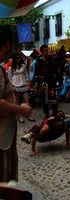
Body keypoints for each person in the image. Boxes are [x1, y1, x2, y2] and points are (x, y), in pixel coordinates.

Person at [0, 27, 32, 184]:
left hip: (4, 135)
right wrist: (21, 109)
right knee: (3, 181)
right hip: (1, 138)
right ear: (6, 45)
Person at [8, 51, 35, 123]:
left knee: (27, 101)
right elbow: (9, 78)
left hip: (23, 84)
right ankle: (19, 116)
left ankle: (29, 115)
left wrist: (28, 84)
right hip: (15, 85)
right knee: (17, 103)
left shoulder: (23, 66)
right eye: (16, 58)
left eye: (19, 58)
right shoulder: (11, 68)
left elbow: (26, 75)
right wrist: (12, 87)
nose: (18, 59)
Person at [34, 45, 58, 117]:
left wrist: (55, 77)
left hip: (51, 81)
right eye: (45, 50)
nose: (47, 52)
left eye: (47, 50)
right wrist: (37, 83)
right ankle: (47, 114)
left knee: (53, 96)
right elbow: (36, 73)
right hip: (43, 81)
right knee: (44, 98)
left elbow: (55, 70)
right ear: (41, 51)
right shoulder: (38, 61)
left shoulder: (52, 59)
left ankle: (55, 113)